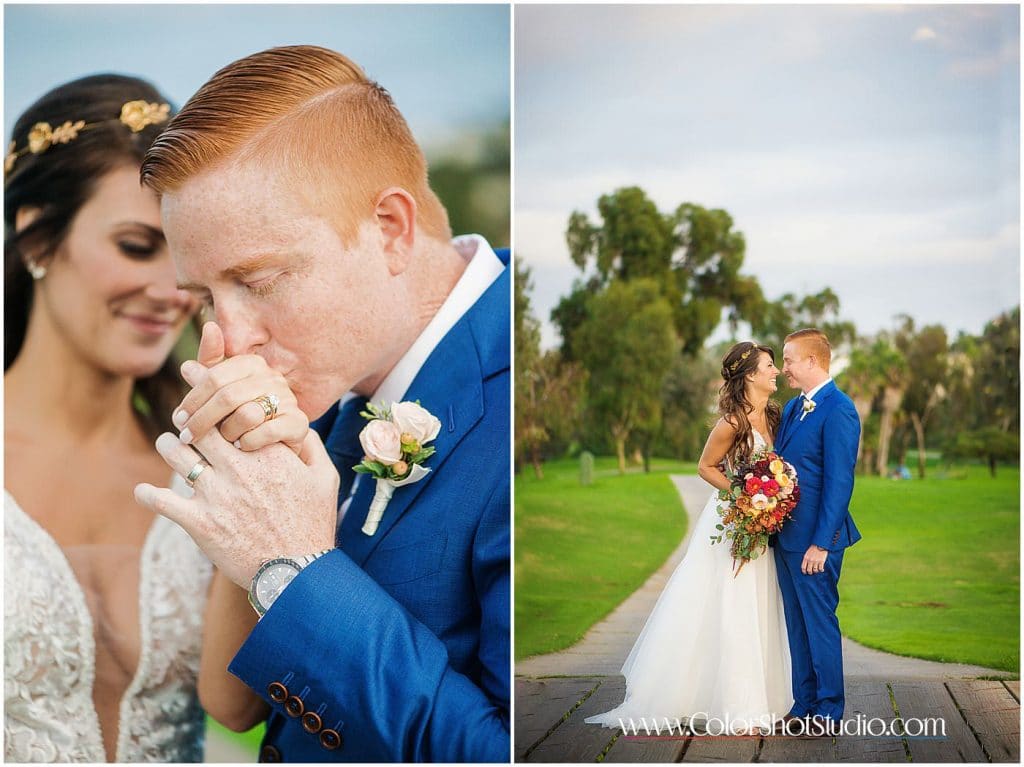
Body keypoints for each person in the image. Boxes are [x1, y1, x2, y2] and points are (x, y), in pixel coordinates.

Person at [132, 45, 510, 762]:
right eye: (205, 297)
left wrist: (293, 568)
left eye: (259, 280)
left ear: (390, 229)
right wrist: (249, 496)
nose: (231, 338)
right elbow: (233, 702)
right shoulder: (326, 381)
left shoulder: (513, 404)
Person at [3, 74, 259, 762]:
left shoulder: (204, 464)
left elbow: (238, 706)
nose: (170, 291)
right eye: (137, 247)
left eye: (184, 259)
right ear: (36, 239)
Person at [586, 341, 793, 735]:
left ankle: (762, 702)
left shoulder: (775, 415)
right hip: (734, 521)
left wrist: (771, 499)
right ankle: (738, 709)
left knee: (759, 603)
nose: (776, 371)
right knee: (733, 605)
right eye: (769, 365)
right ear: (750, 374)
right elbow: (705, 466)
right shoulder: (732, 423)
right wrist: (744, 495)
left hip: (763, 523)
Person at [775, 328, 861, 733]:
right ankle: (803, 706)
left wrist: (821, 544)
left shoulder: (840, 409)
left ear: (812, 361)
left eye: (788, 360)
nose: (784, 368)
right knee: (797, 625)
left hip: (815, 543)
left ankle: (828, 713)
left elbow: (840, 483)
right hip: (786, 539)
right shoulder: (794, 408)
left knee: (819, 624)